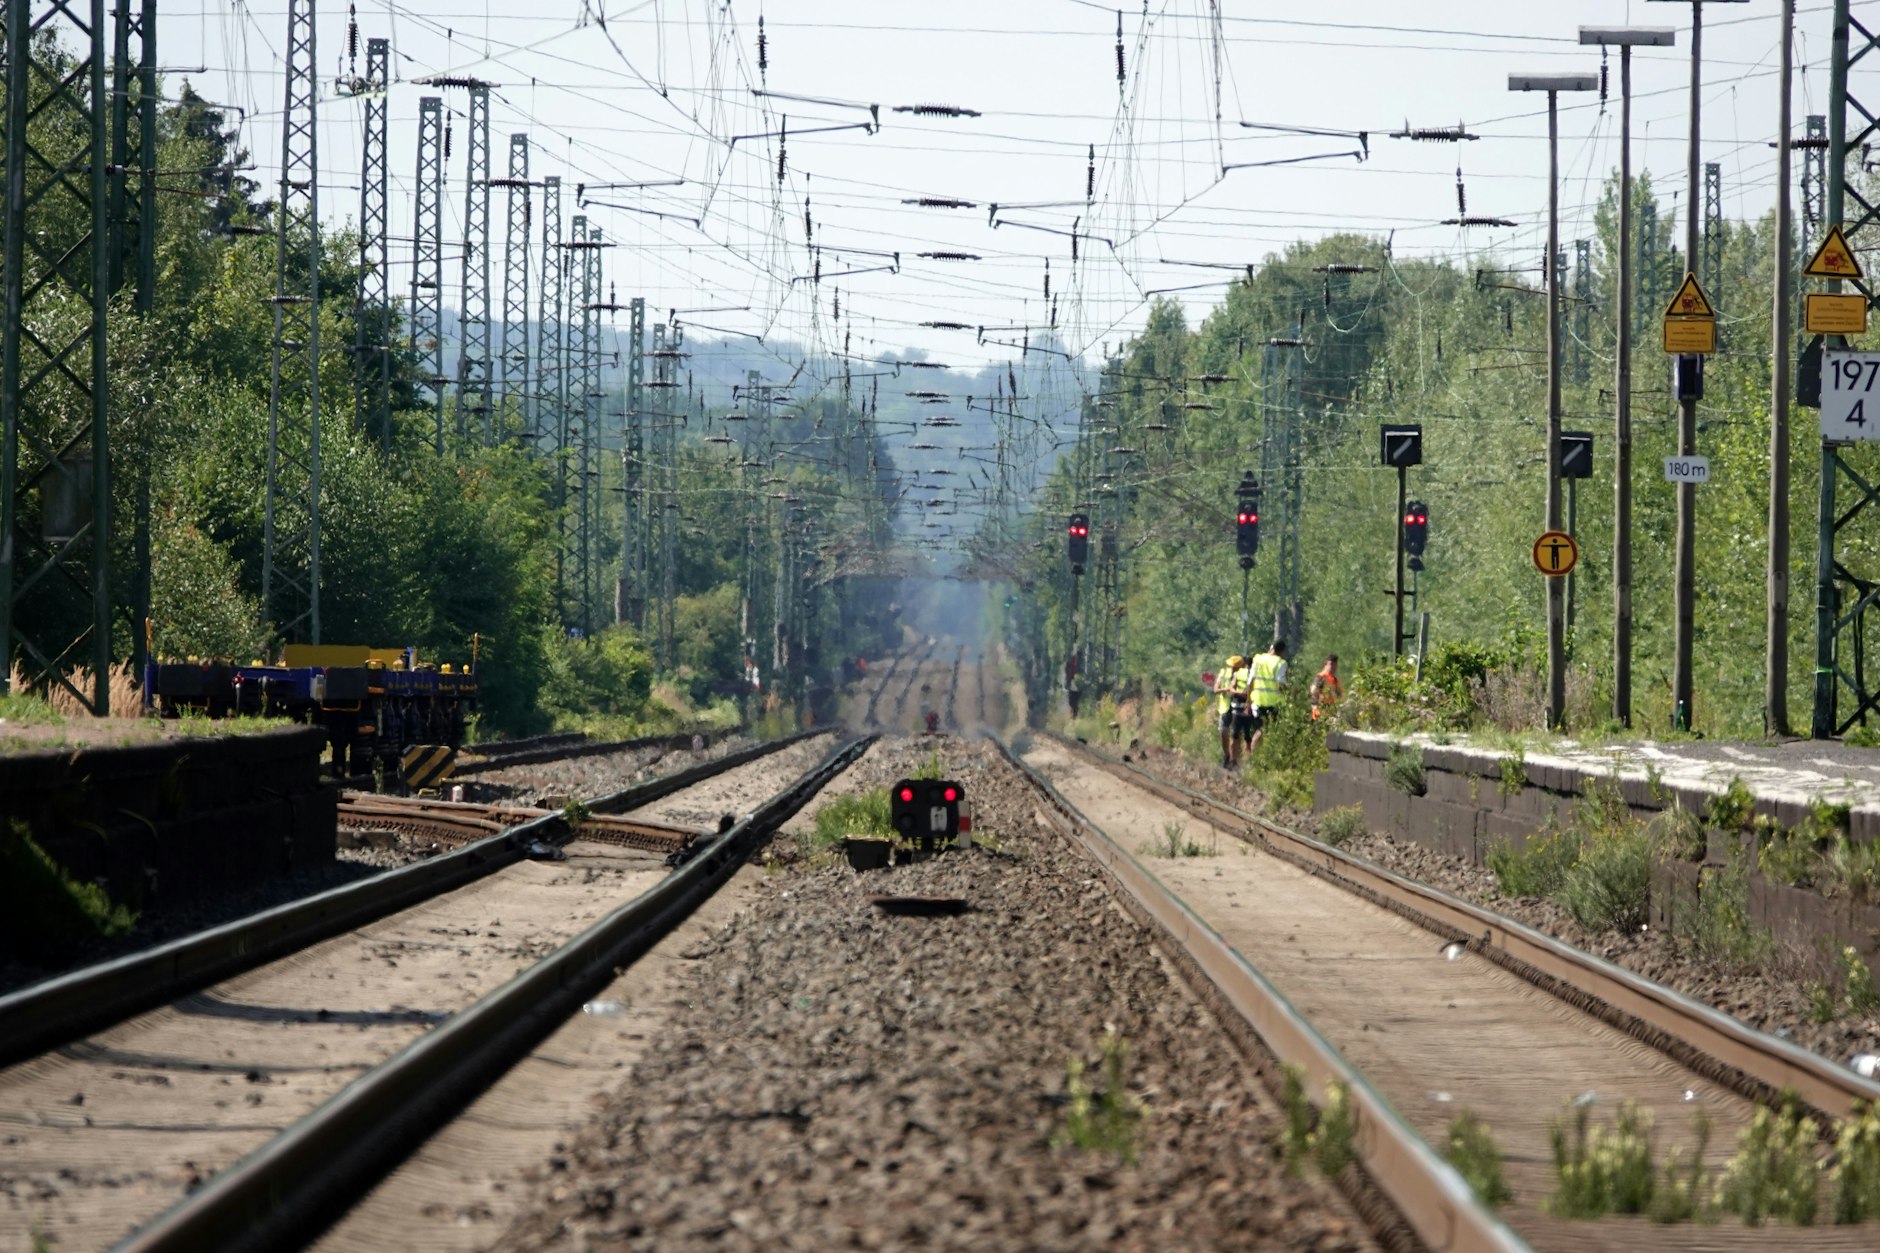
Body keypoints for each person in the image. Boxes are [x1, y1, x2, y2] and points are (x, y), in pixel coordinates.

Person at [1247, 639, 1290, 754]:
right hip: (1274, 703)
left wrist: (1248, 702)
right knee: (1267, 731)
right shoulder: (1281, 663)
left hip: (1257, 701)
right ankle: (1259, 758)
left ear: (1271, 648)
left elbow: (1250, 681)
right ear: (1282, 652)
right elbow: (1280, 682)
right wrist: (1290, 693)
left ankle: (1256, 757)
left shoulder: (1258, 659)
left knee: (1260, 730)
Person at [1214, 654, 1251, 768]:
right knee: (1224, 731)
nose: (1232, 668)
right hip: (1225, 707)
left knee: (1236, 735)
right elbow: (1216, 689)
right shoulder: (1223, 673)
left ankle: (1235, 760)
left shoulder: (1242, 675)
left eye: (1234, 666)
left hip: (1237, 707)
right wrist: (1228, 689)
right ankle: (1227, 756)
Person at [1308, 653, 1342, 722]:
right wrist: (1316, 705)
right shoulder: (1321, 677)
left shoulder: (1335, 680)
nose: (1333, 667)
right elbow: (1313, 691)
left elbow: (1339, 695)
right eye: (1331, 664)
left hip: (1331, 712)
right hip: (1320, 713)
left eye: (1335, 664)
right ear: (1325, 664)